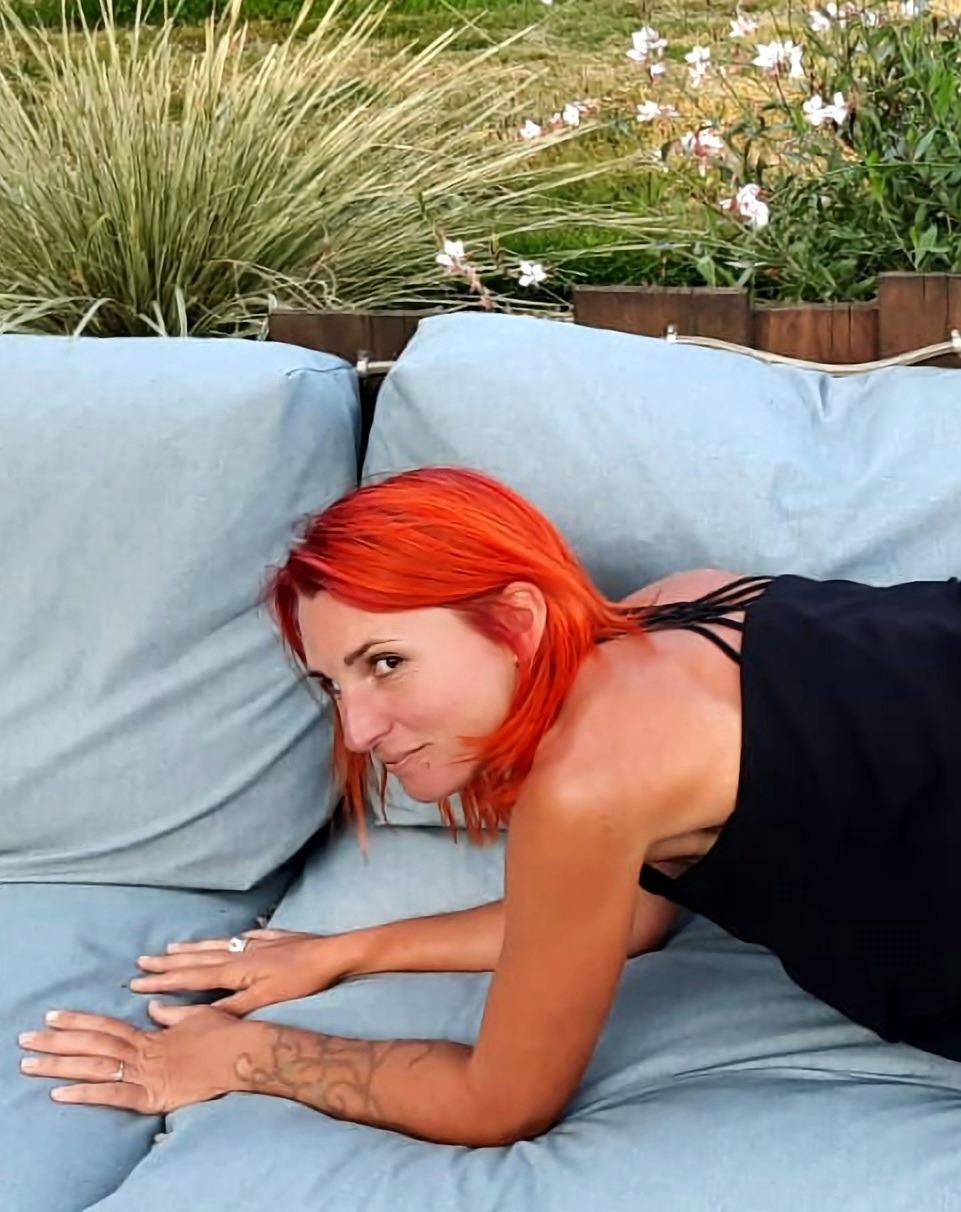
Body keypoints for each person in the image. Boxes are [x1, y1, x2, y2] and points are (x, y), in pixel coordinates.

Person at [18, 466, 961, 1144]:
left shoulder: (591, 781)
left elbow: (496, 1104)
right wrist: (348, 950)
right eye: (333, 685)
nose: (357, 730)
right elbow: (635, 910)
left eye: (386, 662)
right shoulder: (690, 603)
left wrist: (235, 1057)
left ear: (516, 620)